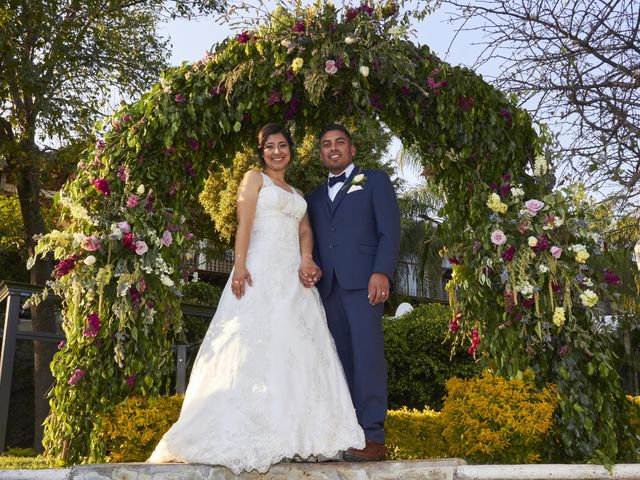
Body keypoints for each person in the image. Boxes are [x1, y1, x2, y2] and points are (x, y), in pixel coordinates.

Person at [148, 123, 365, 473]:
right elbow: (243, 223)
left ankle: (298, 434)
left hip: (294, 278)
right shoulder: (254, 179)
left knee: (297, 349)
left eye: (282, 145)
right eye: (270, 147)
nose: (277, 152)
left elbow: (305, 230)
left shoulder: (296, 193)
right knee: (252, 343)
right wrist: (240, 265)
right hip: (260, 269)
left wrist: (307, 258)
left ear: (291, 150)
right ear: (261, 152)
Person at [305, 123, 401, 462]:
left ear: (352, 149)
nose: (333, 148)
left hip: (365, 285)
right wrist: (312, 266)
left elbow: (389, 232)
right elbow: (313, 241)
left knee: (367, 359)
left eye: (339, 142)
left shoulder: (375, 181)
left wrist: (381, 272)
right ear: (320, 152)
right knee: (338, 363)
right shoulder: (313, 197)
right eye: (326, 144)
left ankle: (373, 436)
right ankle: (345, 434)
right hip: (327, 289)